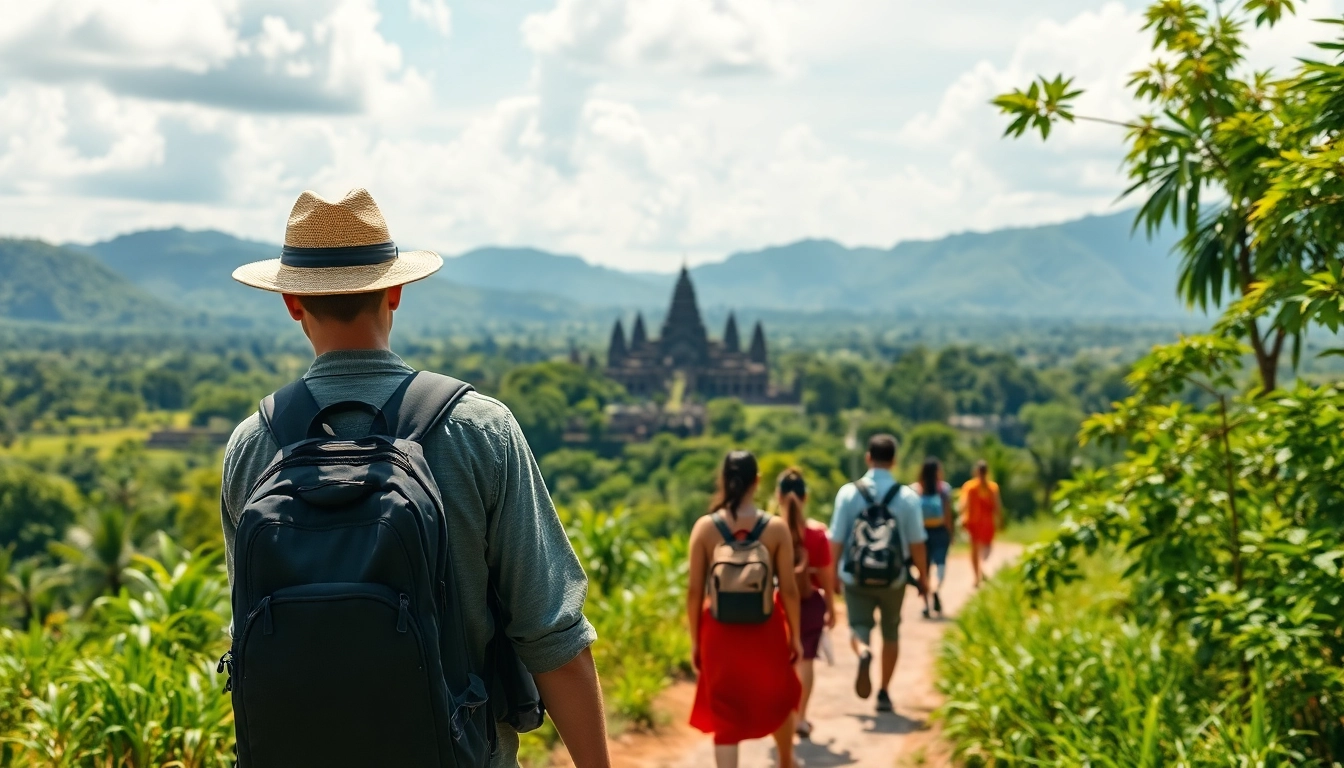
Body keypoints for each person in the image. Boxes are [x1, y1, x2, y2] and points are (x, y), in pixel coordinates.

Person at [220, 189, 611, 768]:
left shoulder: (253, 446)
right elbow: (550, 634)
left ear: (293, 303)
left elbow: (250, 638)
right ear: (396, 291)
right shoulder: (480, 430)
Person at [688, 450, 802, 768]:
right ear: (758, 481)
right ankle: (786, 761)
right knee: (777, 696)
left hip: (719, 632)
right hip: (766, 628)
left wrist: (696, 640)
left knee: (725, 715)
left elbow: (695, 591)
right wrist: (794, 634)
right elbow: (789, 590)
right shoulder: (776, 528)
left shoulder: (705, 529)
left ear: (723, 480)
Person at [829, 434, 929, 714]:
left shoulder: (848, 493)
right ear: (894, 460)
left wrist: (831, 576)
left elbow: (836, 539)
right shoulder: (907, 497)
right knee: (891, 632)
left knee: (858, 626)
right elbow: (917, 543)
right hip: (894, 578)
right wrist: (923, 578)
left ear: (868, 458)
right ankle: (884, 692)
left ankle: (863, 651)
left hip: (855, 576)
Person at [775, 468, 834, 740]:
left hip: (778, 606)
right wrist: (832, 606)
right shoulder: (817, 534)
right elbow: (825, 573)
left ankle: (781, 717)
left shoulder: (770, 532)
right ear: (806, 497)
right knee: (806, 660)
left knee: (780, 663)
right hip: (810, 603)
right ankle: (800, 718)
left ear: (777, 496)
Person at [912, 457, 954, 619]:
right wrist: (950, 533)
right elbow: (948, 514)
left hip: (922, 534)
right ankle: (934, 592)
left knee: (924, 570)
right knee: (939, 566)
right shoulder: (943, 490)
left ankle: (927, 603)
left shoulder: (916, 490)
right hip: (939, 532)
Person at [960, 459, 1003, 588]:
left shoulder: (969, 487)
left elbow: (963, 505)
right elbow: (997, 506)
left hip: (972, 523)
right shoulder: (992, 487)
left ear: (975, 472)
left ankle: (977, 577)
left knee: (974, 551)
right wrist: (1000, 520)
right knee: (986, 548)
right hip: (987, 523)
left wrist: (961, 518)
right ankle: (983, 567)